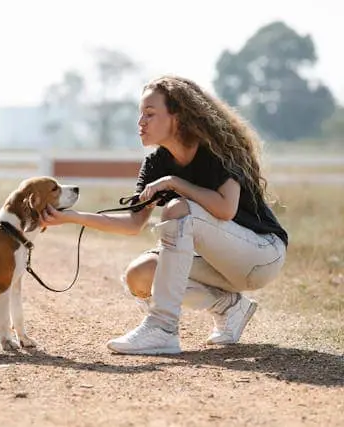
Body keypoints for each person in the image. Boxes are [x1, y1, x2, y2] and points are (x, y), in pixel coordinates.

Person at [40, 75, 288, 355]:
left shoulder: (215, 151)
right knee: (139, 276)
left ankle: (162, 328)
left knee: (177, 208)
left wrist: (175, 183)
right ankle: (229, 306)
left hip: (262, 256)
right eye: (140, 115)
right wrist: (73, 217)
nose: (140, 123)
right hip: (220, 264)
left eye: (150, 114)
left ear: (178, 117)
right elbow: (134, 223)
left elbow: (225, 209)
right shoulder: (156, 163)